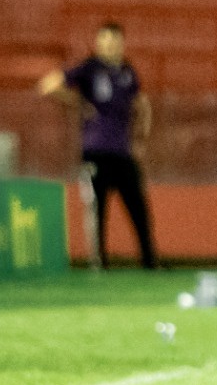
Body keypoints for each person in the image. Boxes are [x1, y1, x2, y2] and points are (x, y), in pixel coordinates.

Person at [39, 23, 158, 270]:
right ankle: (98, 262)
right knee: (97, 209)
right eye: (104, 41)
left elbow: (141, 103)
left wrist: (140, 138)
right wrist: (78, 102)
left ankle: (150, 262)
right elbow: (49, 84)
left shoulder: (127, 72)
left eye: (114, 41)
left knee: (139, 208)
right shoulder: (89, 68)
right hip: (95, 151)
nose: (109, 46)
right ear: (97, 44)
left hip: (122, 152)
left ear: (122, 44)